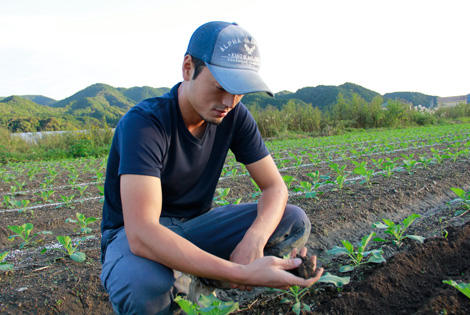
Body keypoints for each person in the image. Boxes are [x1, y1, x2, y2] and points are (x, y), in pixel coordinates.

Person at [100, 21, 323, 314]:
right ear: (188, 68)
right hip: (132, 239)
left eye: (239, 91)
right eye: (220, 87)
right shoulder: (145, 124)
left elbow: (275, 188)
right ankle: (189, 285)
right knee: (146, 285)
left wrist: (253, 241)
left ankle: (196, 280)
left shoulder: (234, 116)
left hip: (194, 229)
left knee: (292, 219)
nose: (229, 102)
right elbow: (142, 233)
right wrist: (241, 273)